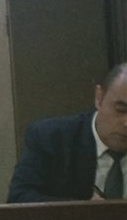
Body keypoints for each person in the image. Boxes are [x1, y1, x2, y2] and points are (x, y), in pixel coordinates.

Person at [8, 61, 127, 201]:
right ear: (99, 98)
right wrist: (83, 209)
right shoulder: (51, 138)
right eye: (121, 110)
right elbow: (19, 197)